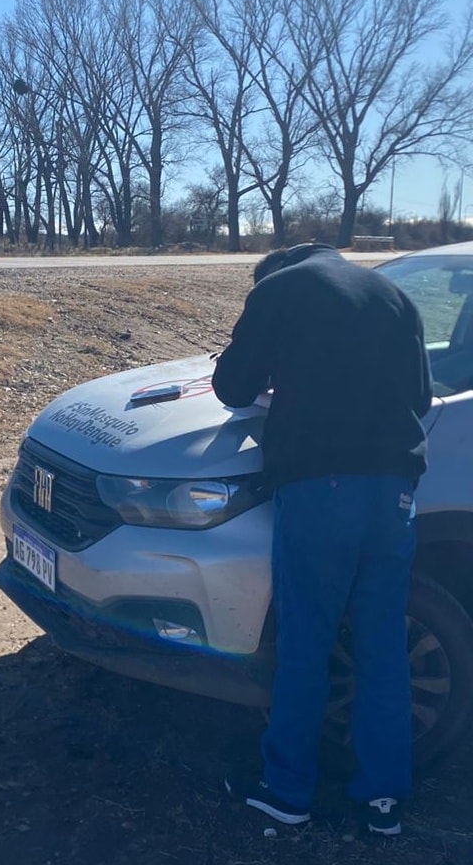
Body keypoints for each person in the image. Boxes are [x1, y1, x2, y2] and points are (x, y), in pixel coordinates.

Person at [213, 242, 432, 836]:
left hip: (320, 489)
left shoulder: (277, 289)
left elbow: (233, 386)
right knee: (382, 644)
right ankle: (383, 798)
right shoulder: (393, 295)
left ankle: (287, 793)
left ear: (272, 271)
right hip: (395, 492)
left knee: (306, 644)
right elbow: (420, 398)